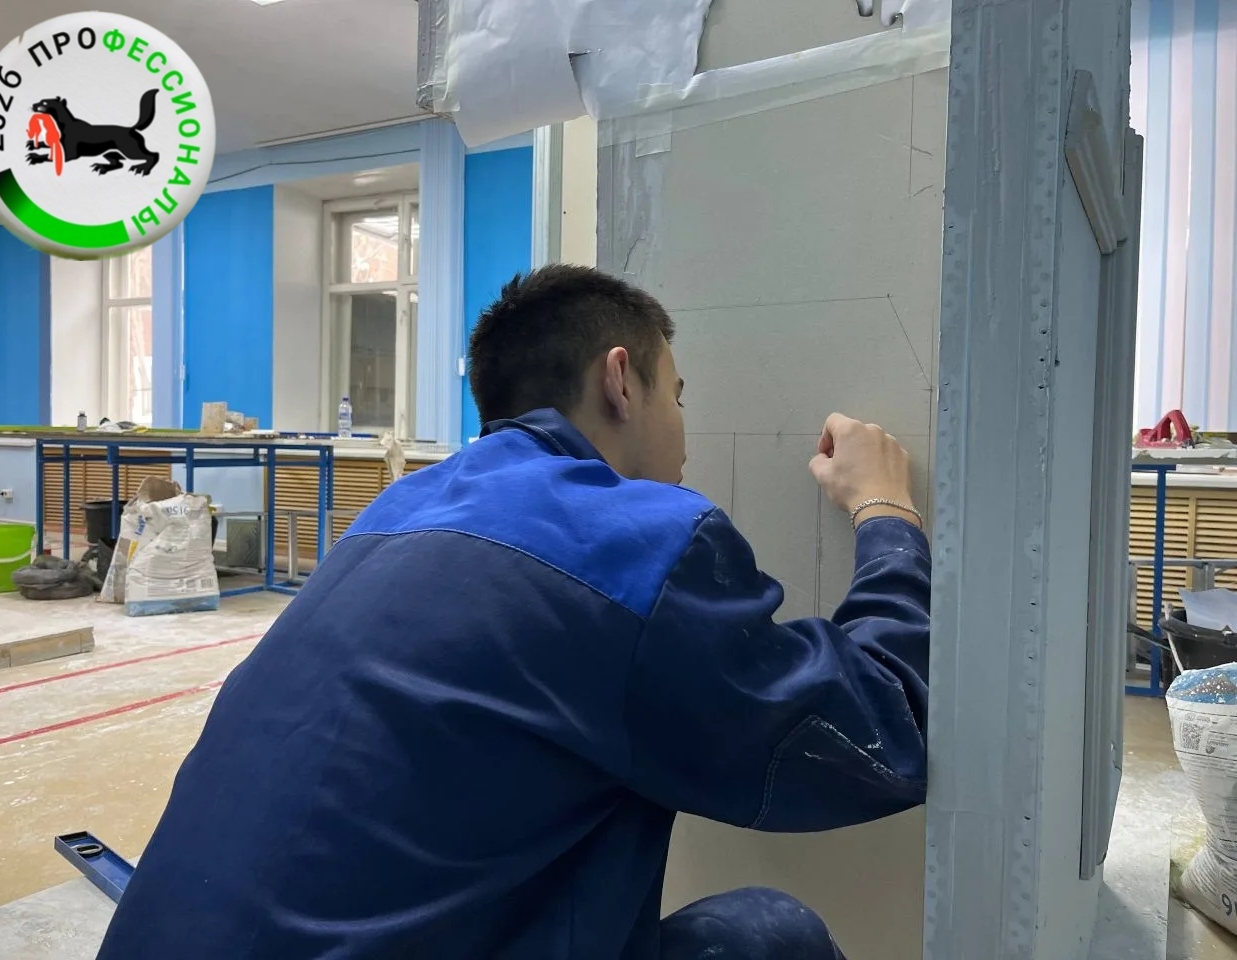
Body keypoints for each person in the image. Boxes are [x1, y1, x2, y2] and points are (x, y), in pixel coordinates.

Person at [96, 265, 930, 960]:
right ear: (620, 381)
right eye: (677, 397)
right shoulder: (633, 543)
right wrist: (886, 511)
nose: (685, 434)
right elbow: (880, 734)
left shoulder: (393, 516)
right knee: (768, 937)